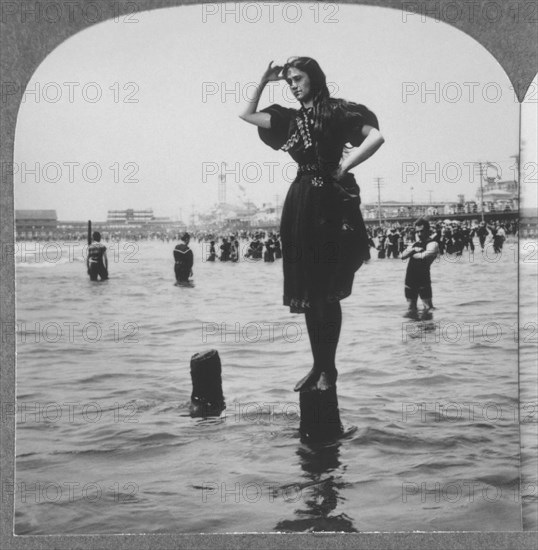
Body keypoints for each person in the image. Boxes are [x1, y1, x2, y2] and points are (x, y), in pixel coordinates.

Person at [239, 57, 384, 391]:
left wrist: (345, 166)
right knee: (307, 290)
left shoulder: (338, 111)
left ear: (315, 78)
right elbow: (247, 115)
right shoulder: (288, 119)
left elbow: (376, 137)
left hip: (331, 203)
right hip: (301, 201)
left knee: (326, 290)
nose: (293, 85)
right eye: (288, 80)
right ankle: (319, 366)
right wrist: (263, 80)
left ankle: (328, 370)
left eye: (298, 78)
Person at [401, 218, 439, 319]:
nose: (419, 233)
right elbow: (402, 256)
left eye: (421, 231)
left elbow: (422, 256)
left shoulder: (433, 243)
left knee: (428, 308)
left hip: (423, 278)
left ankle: (429, 331)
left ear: (427, 230)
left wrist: (413, 253)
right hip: (410, 279)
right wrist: (413, 249)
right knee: (410, 308)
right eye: (417, 231)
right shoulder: (414, 244)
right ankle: (414, 332)